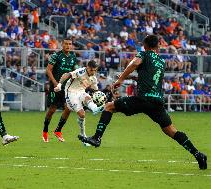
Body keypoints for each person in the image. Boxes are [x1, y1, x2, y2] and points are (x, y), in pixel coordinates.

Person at [79, 35, 207, 170]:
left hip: (142, 99)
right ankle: (198, 154)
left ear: (145, 45)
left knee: (109, 106)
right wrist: (134, 78)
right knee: (171, 130)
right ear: (157, 46)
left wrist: (121, 79)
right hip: (157, 102)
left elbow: (134, 63)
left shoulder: (144, 54)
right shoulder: (161, 62)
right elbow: (149, 78)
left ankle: (97, 138)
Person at [54, 60, 104, 145]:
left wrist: (100, 97)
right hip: (70, 93)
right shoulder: (80, 72)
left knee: (87, 97)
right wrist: (59, 85)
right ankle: (82, 134)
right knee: (81, 114)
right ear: (87, 67)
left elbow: (96, 91)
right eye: (92, 70)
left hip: (81, 91)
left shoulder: (93, 78)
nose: (93, 72)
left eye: (95, 70)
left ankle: (95, 109)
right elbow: (66, 75)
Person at [42, 37, 78, 143]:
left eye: (70, 44)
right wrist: (54, 83)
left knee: (68, 108)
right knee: (52, 110)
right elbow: (48, 70)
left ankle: (58, 130)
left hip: (67, 88)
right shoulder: (56, 55)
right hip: (56, 86)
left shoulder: (73, 57)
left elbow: (75, 72)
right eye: (66, 44)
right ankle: (45, 131)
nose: (68, 46)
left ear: (71, 45)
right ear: (62, 45)